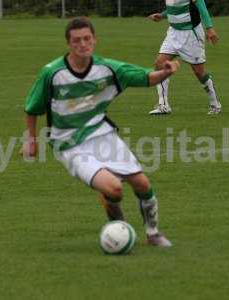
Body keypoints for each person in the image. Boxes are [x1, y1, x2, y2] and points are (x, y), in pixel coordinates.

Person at [22, 17, 179, 247]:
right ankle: (120, 227)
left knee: (143, 184)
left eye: (87, 39)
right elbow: (32, 108)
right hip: (68, 143)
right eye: (76, 41)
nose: (82, 44)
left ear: (94, 40)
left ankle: (153, 234)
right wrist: (31, 140)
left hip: (102, 134)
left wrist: (165, 72)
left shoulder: (106, 69)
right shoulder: (52, 74)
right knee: (114, 190)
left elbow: (145, 77)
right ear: (68, 43)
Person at [148, 0, 222, 115]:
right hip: (173, 33)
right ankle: (163, 105)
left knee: (199, 73)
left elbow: (201, 6)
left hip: (191, 35)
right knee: (159, 64)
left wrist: (209, 28)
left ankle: (215, 104)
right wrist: (162, 15)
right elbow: (175, 8)